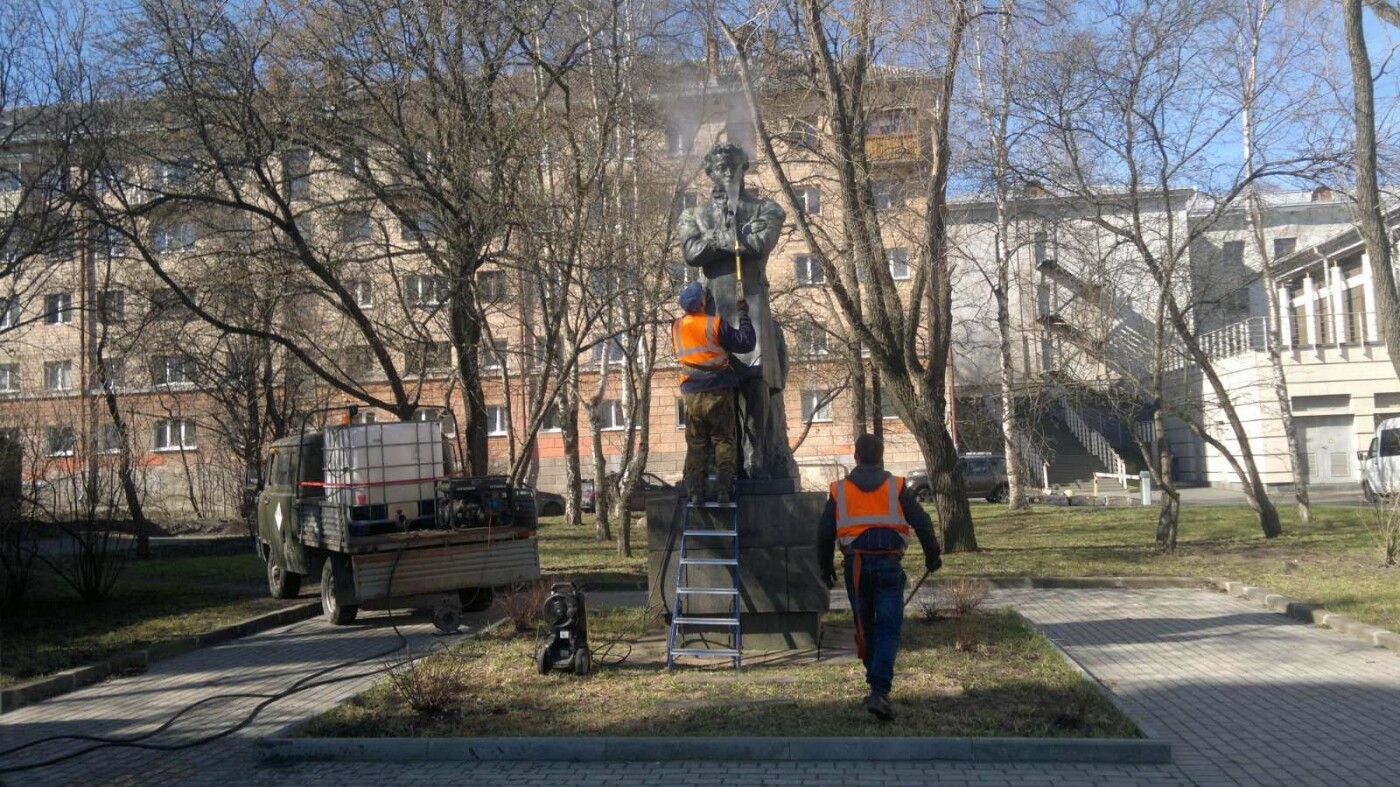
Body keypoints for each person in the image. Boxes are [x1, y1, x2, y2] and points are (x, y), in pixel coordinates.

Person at [818, 434, 942, 720]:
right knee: (888, 629)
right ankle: (879, 691)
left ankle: (877, 689)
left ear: (856, 457)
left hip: (857, 567)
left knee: (866, 629)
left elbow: (824, 533)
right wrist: (932, 555)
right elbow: (921, 520)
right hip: (888, 564)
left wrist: (825, 568)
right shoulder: (896, 487)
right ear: (881, 455)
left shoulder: (839, 491)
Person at [671, 280, 755, 503]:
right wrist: (744, 314)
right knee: (723, 440)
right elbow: (746, 343)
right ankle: (723, 490)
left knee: (696, 443)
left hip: (690, 393)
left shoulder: (676, 326)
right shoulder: (715, 324)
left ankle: (696, 492)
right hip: (717, 390)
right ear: (702, 302)